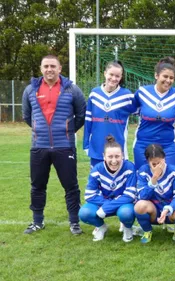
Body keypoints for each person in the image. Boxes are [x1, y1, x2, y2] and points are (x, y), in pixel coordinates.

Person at [21, 54, 86, 235]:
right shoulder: (30, 90)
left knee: (71, 186)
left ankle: (74, 222)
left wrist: (67, 131)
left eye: (53, 66)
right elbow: (27, 116)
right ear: (41, 69)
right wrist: (39, 130)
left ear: (59, 69)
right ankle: (37, 222)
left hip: (64, 146)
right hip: (39, 146)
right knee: (37, 186)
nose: (49, 69)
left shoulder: (72, 90)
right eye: (46, 66)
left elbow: (81, 115)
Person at [79, 136, 137, 242]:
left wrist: (107, 208)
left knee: (126, 213)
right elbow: (89, 195)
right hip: (105, 202)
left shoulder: (129, 167)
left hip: (124, 204)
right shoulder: (97, 169)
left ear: (122, 156)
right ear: (104, 156)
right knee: (84, 213)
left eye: (117, 156)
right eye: (110, 157)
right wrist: (108, 204)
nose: (114, 161)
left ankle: (127, 228)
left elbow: (131, 195)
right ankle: (101, 227)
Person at [132, 57, 175, 170]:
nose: (168, 80)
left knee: (167, 179)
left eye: (171, 78)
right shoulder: (143, 92)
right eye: (165, 76)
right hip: (143, 143)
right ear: (156, 76)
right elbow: (133, 108)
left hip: (168, 145)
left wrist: (167, 116)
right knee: (142, 179)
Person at [83, 61, 135, 168]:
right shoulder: (94, 94)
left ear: (121, 77)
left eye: (117, 76)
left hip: (118, 150)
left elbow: (144, 112)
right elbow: (88, 121)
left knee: (118, 182)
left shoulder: (127, 96)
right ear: (105, 73)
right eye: (111, 74)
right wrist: (86, 145)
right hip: (97, 148)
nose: (114, 78)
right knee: (96, 182)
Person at [134, 144, 175, 243]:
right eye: (154, 164)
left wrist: (168, 208)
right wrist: (154, 178)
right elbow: (142, 196)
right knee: (139, 205)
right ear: (148, 162)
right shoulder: (143, 171)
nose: (157, 167)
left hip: (170, 210)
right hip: (153, 210)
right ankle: (147, 231)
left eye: (160, 163)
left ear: (164, 158)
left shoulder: (173, 171)